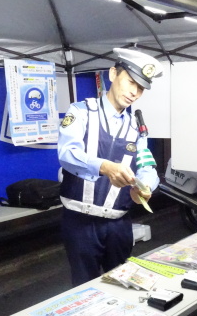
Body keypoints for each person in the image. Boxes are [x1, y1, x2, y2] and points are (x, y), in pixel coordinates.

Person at [58, 48, 163, 287]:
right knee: (84, 288)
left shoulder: (137, 127)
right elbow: (67, 154)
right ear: (113, 74)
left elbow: (147, 165)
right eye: (130, 82)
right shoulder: (81, 112)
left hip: (119, 224)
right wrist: (104, 166)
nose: (134, 92)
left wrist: (145, 187)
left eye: (141, 88)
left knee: (122, 286)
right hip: (81, 223)